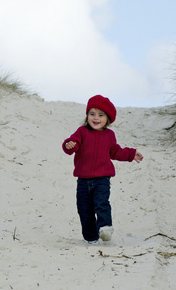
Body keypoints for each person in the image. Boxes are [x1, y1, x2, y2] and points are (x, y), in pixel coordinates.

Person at [62, 95, 143, 244]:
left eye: (101, 115)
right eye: (92, 114)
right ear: (87, 116)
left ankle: (105, 228)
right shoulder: (82, 132)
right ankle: (91, 237)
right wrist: (69, 144)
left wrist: (131, 154)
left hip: (102, 180)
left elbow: (115, 152)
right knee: (84, 209)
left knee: (101, 204)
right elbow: (74, 143)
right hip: (83, 181)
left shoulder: (109, 135)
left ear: (108, 119)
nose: (96, 118)